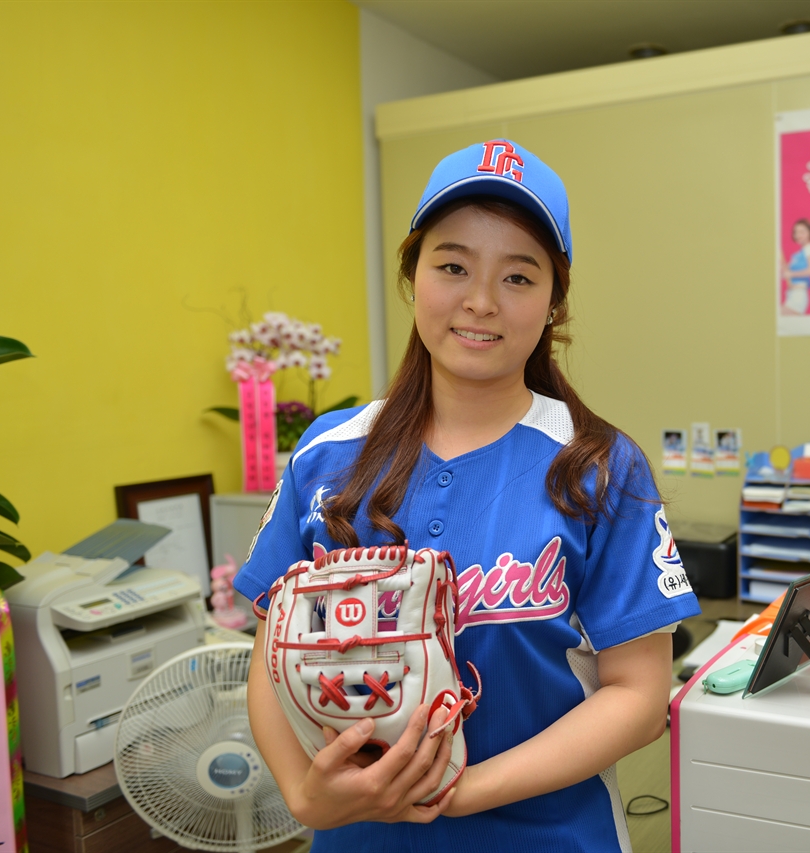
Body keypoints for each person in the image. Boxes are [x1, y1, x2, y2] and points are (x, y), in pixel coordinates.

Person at [234, 139, 701, 852]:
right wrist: (306, 792)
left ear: (554, 303)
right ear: (412, 275)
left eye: (518, 277)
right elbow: (270, 650)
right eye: (453, 266)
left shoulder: (601, 466)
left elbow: (636, 699)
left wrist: (455, 790)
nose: (480, 301)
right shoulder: (328, 454)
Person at [780, 218, 810, 314]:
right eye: (796, 232)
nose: (798, 235)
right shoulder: (798, 254)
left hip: (798, 295)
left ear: (809, 233)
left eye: (802, 232)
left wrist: (791, 274)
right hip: (791, 294)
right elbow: (786, 272)